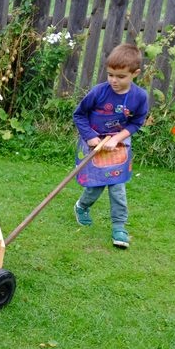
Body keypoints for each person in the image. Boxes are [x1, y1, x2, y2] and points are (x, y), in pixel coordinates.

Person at [73, 43, 149, 249]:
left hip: (118, 144)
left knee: (117, 186)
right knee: (96, 185)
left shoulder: (139, 97)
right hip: (94, 143)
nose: (114, 81)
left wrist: (118, 138)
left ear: (135, 73)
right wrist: (90, 137)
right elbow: (79, 115)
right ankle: (82, 206)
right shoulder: (99, 92)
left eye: (121, 76)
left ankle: (119, 226)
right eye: (110, 75)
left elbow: (136, 122)